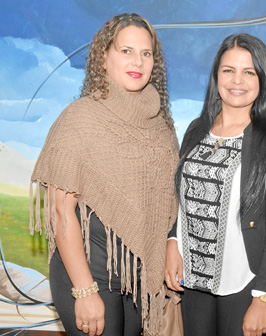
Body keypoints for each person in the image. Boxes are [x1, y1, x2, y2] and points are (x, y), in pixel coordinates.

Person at [29, 13, 178, 336]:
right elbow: (60, 211)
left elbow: (168, 206)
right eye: (126, 51)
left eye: (146, 53)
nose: (137, 61)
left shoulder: (163, 128)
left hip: (137, 284)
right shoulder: (80, 118)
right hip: (87, 275)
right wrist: (83, 290)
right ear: (104, 57)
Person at [164, 33, 266, 336]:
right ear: (216, 76)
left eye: (249, 72)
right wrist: (173, 241)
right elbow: (184, 200)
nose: (238, 80)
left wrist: (263, 298)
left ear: (262, 80)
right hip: (193, 277)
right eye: (228, 70)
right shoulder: (197, 130)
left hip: (245, 281)